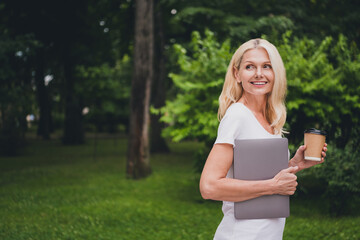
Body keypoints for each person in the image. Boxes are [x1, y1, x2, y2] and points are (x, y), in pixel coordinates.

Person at [199, 38, 327, 240]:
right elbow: (209, 187)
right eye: (250, 66)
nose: (259, 73)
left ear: (276, 73)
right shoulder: (237, 116)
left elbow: (254, 172)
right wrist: (273, 186)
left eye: (267, 66)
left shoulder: (271, 118)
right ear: (237, 74)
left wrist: (295, 165)